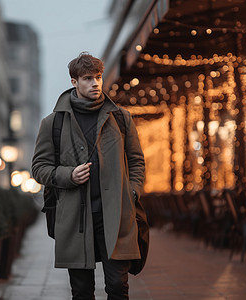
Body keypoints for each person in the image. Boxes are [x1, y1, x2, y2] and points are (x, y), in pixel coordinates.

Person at [31, 52, 145, 300]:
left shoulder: (121, 118)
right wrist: (68, 175)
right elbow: (39, 167)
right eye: (87, 78)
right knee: (82, 291)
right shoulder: (53, 123)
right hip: (75, 219)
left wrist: (132, 192)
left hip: (116, 217)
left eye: (98, 77)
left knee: (117, 287)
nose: (95, 83)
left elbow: (136, 160)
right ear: (74, 82)